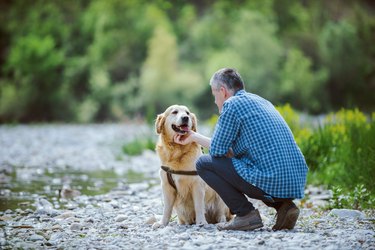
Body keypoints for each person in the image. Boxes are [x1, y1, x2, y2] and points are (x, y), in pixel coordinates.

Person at [173, 68, 308, 231]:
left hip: (271, 179)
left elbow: (217, 150)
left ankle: (245, 214)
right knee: (253, 164)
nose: (215, 101)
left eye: (214, 95)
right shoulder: (261, 101)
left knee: (203, 163)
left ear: (222, 91)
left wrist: (193, 137)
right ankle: (285, 206)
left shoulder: (231, 104)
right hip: (295, 180)